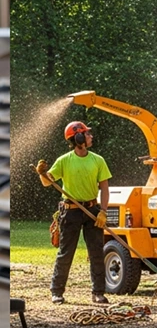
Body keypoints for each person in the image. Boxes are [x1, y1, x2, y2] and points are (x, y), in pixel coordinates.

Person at [36, 121, 112, 305]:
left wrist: (103, 211)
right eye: (87, 134)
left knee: (96, 252)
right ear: (78, 138)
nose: (91, 136)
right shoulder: (64, 160)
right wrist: (42, 173)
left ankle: (98, 293)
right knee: (66, 252)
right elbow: (48, 182)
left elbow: (104, 188)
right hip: (70, 212)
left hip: (92, 210)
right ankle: (57, 291)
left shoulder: (98, 160)